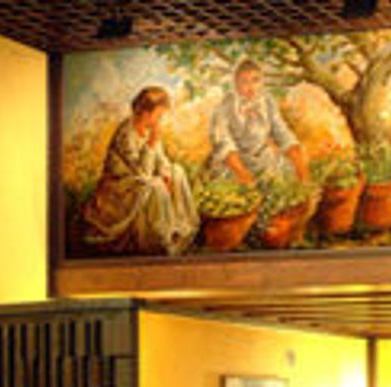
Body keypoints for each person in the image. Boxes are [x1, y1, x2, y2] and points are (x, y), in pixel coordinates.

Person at [81, 86, 198, 256]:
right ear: (145, 113)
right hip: (121, 188)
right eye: (158, 115)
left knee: (177, 171)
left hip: (141, 179)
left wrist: (166, 174)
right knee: (156, 185)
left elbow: (160, 159)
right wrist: (150, 144)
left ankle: (181, 225)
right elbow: (141, 171)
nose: (160, 120)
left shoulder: (150, 130)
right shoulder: (125, 134)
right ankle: (159, 238)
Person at [208, 59, 309, 185]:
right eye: (244, 82)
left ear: (262, 82)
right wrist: (242, 173)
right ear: (235, 84)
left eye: (255, 80)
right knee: (234, 187)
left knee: (288, 177)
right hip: (235, 162)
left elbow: (282, 133)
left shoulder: (267, 102)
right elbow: (224, 144)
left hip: (263, 159)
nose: (251, 87)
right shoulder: (224, 108)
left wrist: (299, 163)